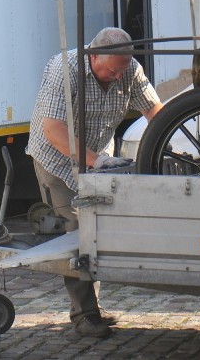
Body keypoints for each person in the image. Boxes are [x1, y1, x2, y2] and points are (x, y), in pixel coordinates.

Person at [27, 27, 163, 337]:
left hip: (100, 156)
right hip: (57, 160)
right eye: (112, 70)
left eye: (122, 71)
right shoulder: (65, 69)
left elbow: (156, 111)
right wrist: (97, 160)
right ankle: (84, 315)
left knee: (101, 231)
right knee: (79, 229)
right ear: (94, 56)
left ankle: (93, 308)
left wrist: (177, 140)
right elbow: (54, 130)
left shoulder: (129, 70)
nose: (118, 77)